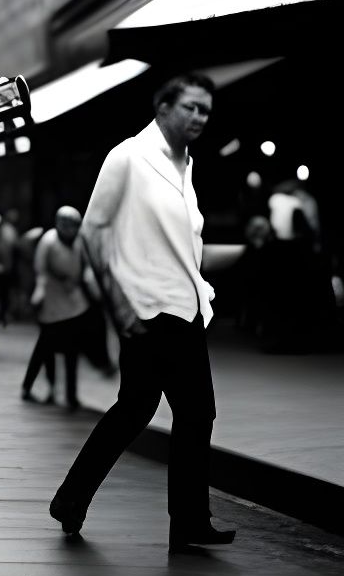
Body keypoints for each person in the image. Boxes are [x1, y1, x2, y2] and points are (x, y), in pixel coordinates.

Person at [48, 74, 236, 552]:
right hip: (150, 310)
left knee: (136, 409)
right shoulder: (129, 157)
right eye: (191, 107)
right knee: (194, 412)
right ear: (164, 107)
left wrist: (245, 252)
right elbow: (93, 232)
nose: (200, 118)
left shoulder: (184, 168)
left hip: (183, 306)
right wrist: (118, 306)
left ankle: (71, 499)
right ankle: (188, 522)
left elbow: (184, 250)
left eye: (207, 111)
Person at [21, 206, 93, 410]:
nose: (69, 230)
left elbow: (86, 265)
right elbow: (40, 270)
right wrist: (39, 294)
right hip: (51, 302)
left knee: (72, 350)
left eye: (73, 226)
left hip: (74, 303)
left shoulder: (80, 242)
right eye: (66, 225)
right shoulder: (49, 241)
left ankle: (71, 395)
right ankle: (31, 386)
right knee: (44, 348)